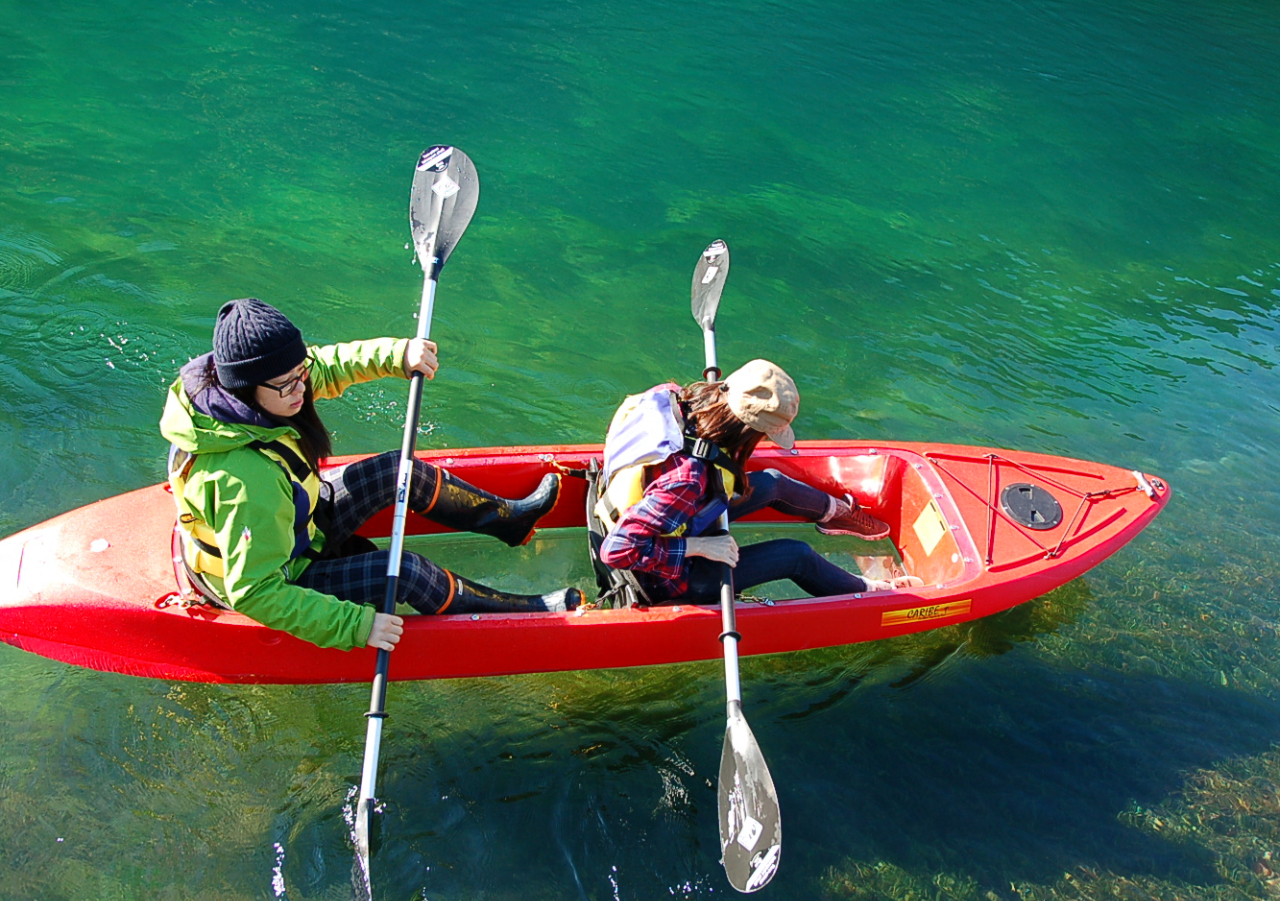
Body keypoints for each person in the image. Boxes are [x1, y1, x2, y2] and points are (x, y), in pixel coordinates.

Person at [160, 298, 581, 653]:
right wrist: (356, 627)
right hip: (283, 574)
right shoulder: (244, 480)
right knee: (407, 571)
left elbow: (326, 365)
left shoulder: (269, 387)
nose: (302, 390)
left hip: (296, 526)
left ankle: (510, 521)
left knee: (397, 470)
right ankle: (528, 613)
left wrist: (399, 355)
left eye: (299, 375)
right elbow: (254, 592)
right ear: (243, 390)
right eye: (287, 386)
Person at [596, 359, 922, 605]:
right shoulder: (686, 480)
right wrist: (701, 547)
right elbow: (618, 551)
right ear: (748, 430)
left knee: (772, 483)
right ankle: (873, 592)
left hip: (648, 513)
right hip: (657, 577)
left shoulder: (679, 397)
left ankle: (835, 514)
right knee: (795, 555)